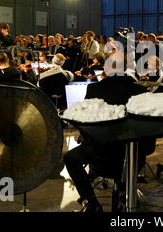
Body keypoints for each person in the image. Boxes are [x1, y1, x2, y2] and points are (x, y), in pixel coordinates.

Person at [63, 54, 147, 212]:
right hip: (134, 154)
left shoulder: (94, 88)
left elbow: (86, 122)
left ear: (107, 69)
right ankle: (124, 190)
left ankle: (92, 202)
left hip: (100, 153)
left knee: (70, 159)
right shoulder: (141, 89)